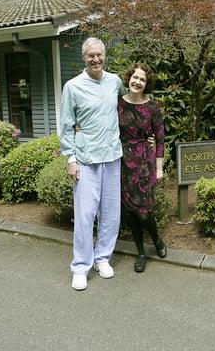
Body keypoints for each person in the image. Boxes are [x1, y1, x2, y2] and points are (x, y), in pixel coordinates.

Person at [59, 37, 126, 291]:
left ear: (104, 56)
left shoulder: (115, 81)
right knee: (85, 215)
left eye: (99, 55)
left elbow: (127, 108)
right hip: (86, 159)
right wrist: (71, 158)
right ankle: (80, 267)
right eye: (90, 56)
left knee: (111, 213)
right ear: (84, 58)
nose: (95, 59)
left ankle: (103, 258)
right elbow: (67, 125)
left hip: (112, 156)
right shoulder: (73, 87)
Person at [118, 63, 167, 273]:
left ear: (147, 84)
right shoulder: (117, 104)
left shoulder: (153, 106)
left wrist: (159, 168)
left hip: (145, 164)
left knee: (144, 213)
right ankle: (140, 253)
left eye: (142, 79)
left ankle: (156, 239)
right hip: (122, 163)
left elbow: (161, 139)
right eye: (135, 77)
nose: (137, 82)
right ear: (129, 78)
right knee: (130, 213)